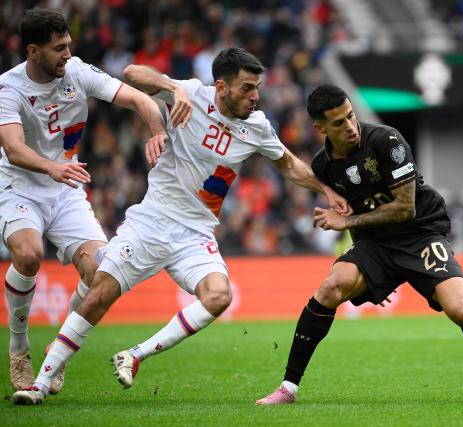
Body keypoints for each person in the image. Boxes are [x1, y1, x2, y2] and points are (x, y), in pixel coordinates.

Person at [12, 47, 350, 405]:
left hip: (195, 235)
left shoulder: (258, 126)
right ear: (221, 87)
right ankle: (41, 382)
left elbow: (288, 164)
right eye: (248, 88)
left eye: (257, 87)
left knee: (219, 295)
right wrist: (175, 90)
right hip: (152, 222)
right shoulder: (192, 93)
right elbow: (131, 73)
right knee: (100, 292)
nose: (256, 96)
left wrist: (325, 189)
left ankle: (135, 354)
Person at [256, 84, 463, 405]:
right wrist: (373, 278)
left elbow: (405, 208)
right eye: (338, 123)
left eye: (351, 116)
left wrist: (346, 223)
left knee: (462, 311)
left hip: (420, 233)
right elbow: (357, 210)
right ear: (320, 128)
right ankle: (288, 388)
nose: (350, 127)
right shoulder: (323, 167)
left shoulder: (386, 141)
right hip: (377, 244)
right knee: (331, 288)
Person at [0, 9, 167, 394]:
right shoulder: (9, 90)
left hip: (65, 188)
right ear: (32, 50)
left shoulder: (77, 71)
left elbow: (140, 100)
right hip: (20, 185)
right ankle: (18, 348)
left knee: (101, 276)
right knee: (28, 255)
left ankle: (55, 353)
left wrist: (156, 131)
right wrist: (52, 168)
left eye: (68, 44)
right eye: (58, 48)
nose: (67, 53)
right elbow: (13, 148)